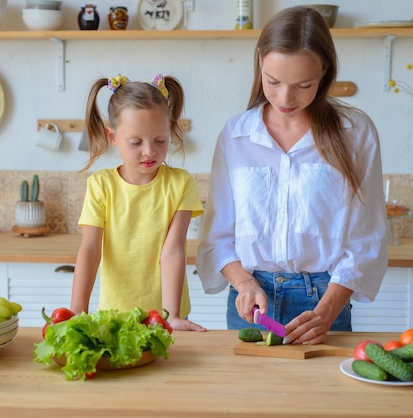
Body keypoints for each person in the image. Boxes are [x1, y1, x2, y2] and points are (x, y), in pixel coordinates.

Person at [196, 7, 388, 344]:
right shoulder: (236, 135)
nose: (285, 98)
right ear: (260, 62)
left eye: (303, 85)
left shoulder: (355, 133)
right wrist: (244, 283)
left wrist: (326, 311)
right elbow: (218, 236)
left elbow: (366, 241)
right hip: (252, 305)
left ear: (324, 71)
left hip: (324, 304)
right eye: (273, 82)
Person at [71, 73, 206, 332]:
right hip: (114, 317)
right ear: (113, 137)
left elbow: (174, 250)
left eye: (160, 140)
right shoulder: (100, 185)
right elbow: (90, 250)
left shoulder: (180, 184)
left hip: (165, 317)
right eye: (135, 142)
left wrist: (172, 315)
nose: (149, 151)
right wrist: (77, 311)